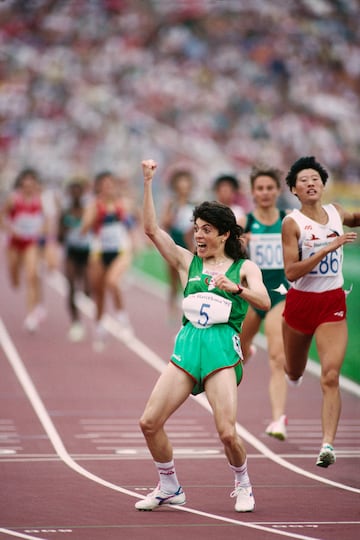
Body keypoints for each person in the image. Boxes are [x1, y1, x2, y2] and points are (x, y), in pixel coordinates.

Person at [135, 159, 270, 513]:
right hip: (187, 347)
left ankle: (243, 483)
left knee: (227, 432)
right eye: (196, 228)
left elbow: (265, 300)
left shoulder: (245, 268)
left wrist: (236, 289)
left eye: (206, 229)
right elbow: (151, 229)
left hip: (221, 351)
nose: (198, 235)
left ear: (224, 234)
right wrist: (148, 182)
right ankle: (169, 486)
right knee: (149, 422)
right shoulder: (186, 262)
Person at [281, 156, 359, 468]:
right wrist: (327, 248)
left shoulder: (336, 212)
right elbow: (291, 272)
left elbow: (354, 217)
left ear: (323, 186)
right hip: (301, 305)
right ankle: (293, 373)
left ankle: (327, 444)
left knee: (330, 376)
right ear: (294, 190)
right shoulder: (293, 224)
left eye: (316, 178)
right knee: (295, 371)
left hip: (331, 304)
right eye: (304, 180)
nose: (311, 183)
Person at [239, 165, 290, 440]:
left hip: (279, 295)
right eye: (260, 188)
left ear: (277, 190)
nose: (265, 192)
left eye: (270, 187)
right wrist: (240, 243)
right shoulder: (245, 222)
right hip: (251, 296)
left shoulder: (288, 219)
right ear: (253, 192)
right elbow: (231, 256)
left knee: (277, 357)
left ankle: (278, 419)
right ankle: (247, 349)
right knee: (238, 352)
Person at [81, 170, 134, 350]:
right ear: (98, 187)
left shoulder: (123, 204)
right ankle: (99, 327)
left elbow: (137, 220)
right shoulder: (93, 205)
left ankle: (122, 319)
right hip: (98, 252)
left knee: (112, 281)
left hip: (120, 251)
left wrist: (137, 239)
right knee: (99, 293)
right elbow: (83, 229)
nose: (107, 188)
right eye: (103, 185)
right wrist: (95, 216)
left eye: (110, 184)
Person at [0, 168, 47, 332]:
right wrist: (11, 230)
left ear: (35, 185)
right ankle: (14, 277)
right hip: (14, 243)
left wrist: (42, 231)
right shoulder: (13, 200)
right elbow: (1, 218)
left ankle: (31, 315)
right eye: (25, 184)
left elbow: (45, 220)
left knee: (32, 275)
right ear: (21, 185)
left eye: (31, 184)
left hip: (30, 243)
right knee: (14, 280)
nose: (28, 187)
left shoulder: (40, 201)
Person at [58, 177, 92, 342]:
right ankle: (76, 322)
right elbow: (59, 237)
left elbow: (95, 229)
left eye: (79, 191)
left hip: (87, 253)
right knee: (71, 286)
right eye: (73, 191)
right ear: (70, 194)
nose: (76, 194)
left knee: (87, 288)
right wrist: (66, 230)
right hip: (71, 253)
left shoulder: (88, 210)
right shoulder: (65, 212)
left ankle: (87, 314)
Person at [161, 169, 195, 319]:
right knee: (173, 279)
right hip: (173, 242)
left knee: (189, 278)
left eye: (186, 184)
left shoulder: (193, 204)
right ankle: (172, 309)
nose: (183, 187)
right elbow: (165, 223)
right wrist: (174, 213)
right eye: (181, 184)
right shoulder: (172, 203)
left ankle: (188, 309)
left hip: (188, 244)